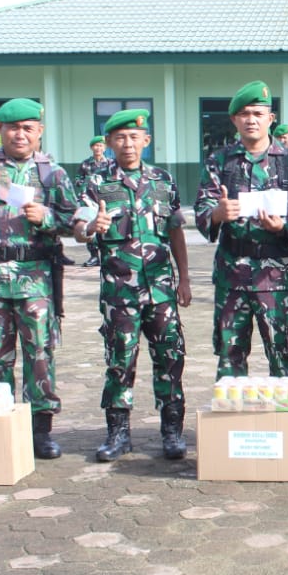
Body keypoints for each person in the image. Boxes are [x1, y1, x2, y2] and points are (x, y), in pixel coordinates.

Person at [0, 98, 77, 460]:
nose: (19, 134)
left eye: (27, 128)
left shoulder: (53, 173)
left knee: (40, 353)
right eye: (12, 128)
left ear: (39, 132)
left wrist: (47, 217)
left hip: (36, 278)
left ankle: (41, 431)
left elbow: (74, 220)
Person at [73, 110, 192, 462]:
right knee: (119, 361)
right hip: (119, 292)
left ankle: (171, 432)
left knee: (171, 358)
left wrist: (184, 278)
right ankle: (118, 433)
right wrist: (90, 227)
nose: (127, 143)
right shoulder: (96, 183)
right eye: (119, 137)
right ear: (109, 143)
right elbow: (79, 228)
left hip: (161, 290)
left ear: (146, 141)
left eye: (134, 137)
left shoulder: (162, 180)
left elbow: (175, 231)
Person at [194, 81, 288, 379]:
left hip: (277, 277)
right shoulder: (219, 161)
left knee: (283, 358)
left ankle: (287, 422)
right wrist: (218, 214)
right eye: (244, 113)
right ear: (234, 120)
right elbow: (202, 211)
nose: (251, 119)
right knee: (229, 357)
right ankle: (232, 421)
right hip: (232, 276)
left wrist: (285, 226)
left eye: (258, 113)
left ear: (270, 118)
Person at [76, 135, 112, 267]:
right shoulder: (85, 164)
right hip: (89, 200)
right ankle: (94, 256)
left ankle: (106, 255)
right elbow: (78, 180)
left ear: (105, 148)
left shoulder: (109, 164)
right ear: (92, 148)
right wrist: (88, 182)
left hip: (105, 199)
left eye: (101, 146)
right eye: (96, 146)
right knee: (90, 227)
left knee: (106, 227)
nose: (98, 148)